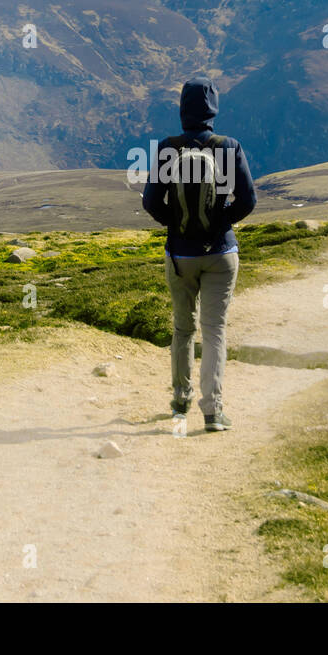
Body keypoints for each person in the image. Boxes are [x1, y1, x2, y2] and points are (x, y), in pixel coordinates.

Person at [142, 77, 256, 432]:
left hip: (180, 255)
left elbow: (149, 202)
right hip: (221, 252)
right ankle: (213, 413)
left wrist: (178, 225)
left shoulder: (167, 148)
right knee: (215, 331)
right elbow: (248, 200)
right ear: (213, 109)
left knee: (182, 329)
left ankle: (180, 402)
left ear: (182, 110)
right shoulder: (228, 147)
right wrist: (219, 223)